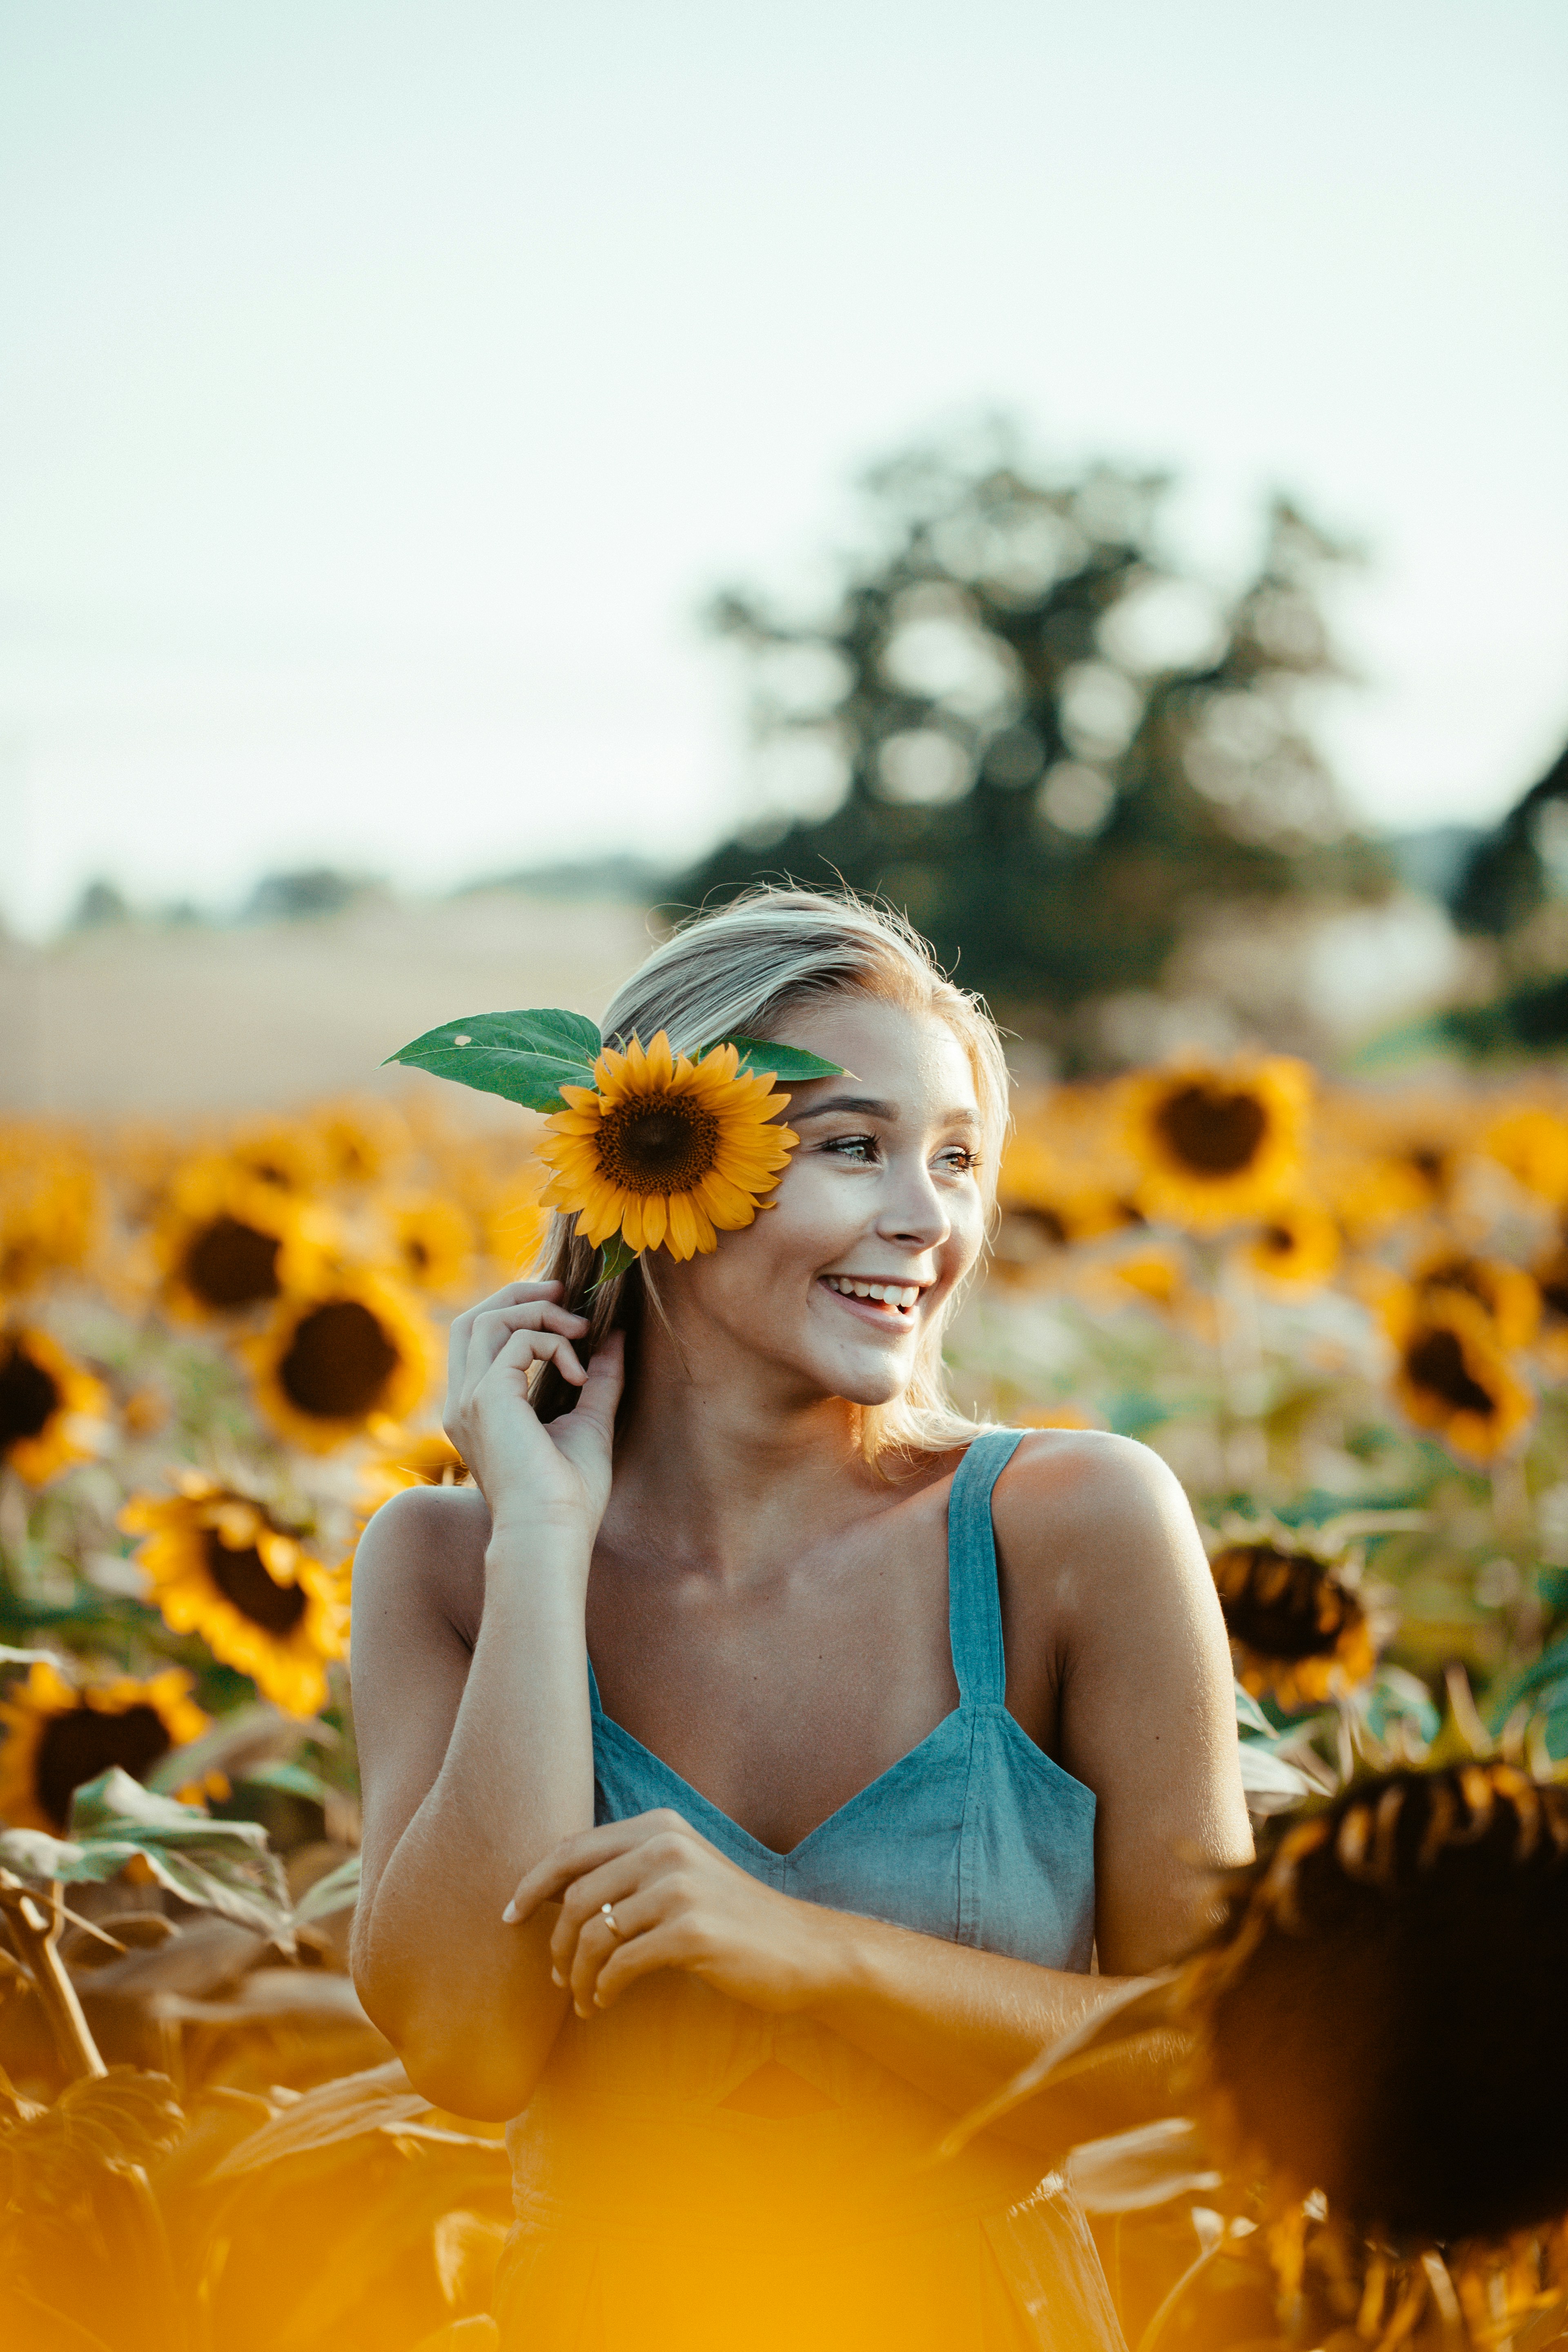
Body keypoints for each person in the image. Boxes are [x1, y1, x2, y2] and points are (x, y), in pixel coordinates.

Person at [349, 889, 1252, 2352]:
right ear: (666, 1163)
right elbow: (463, 2043)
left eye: (958, 1159)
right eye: (853, 1146)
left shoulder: (1073, 1528)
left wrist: (815, 1952)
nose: (927, 1219)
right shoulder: (446, 1564)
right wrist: (541, 1541)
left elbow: (1217, 2059)